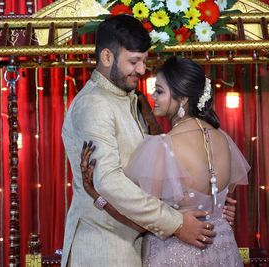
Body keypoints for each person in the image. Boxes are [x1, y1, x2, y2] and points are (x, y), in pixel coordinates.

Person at [61, 14, 220, 267]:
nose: (142, 70)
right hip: (104, 248)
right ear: (106, 57)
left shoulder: (129, 98)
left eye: (144, 61)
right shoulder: (93, 105)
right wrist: (176, 224)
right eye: (134, 61)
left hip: (136, 243)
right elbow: (109, 182)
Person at [80, 56, 250, 266]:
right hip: (222, 249)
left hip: (177, 254)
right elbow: (218, 203)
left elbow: (142, 222)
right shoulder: (223, 139)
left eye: (159, 90)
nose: (153, 96)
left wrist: (96, 195)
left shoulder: (163, 145)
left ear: (183, 98)